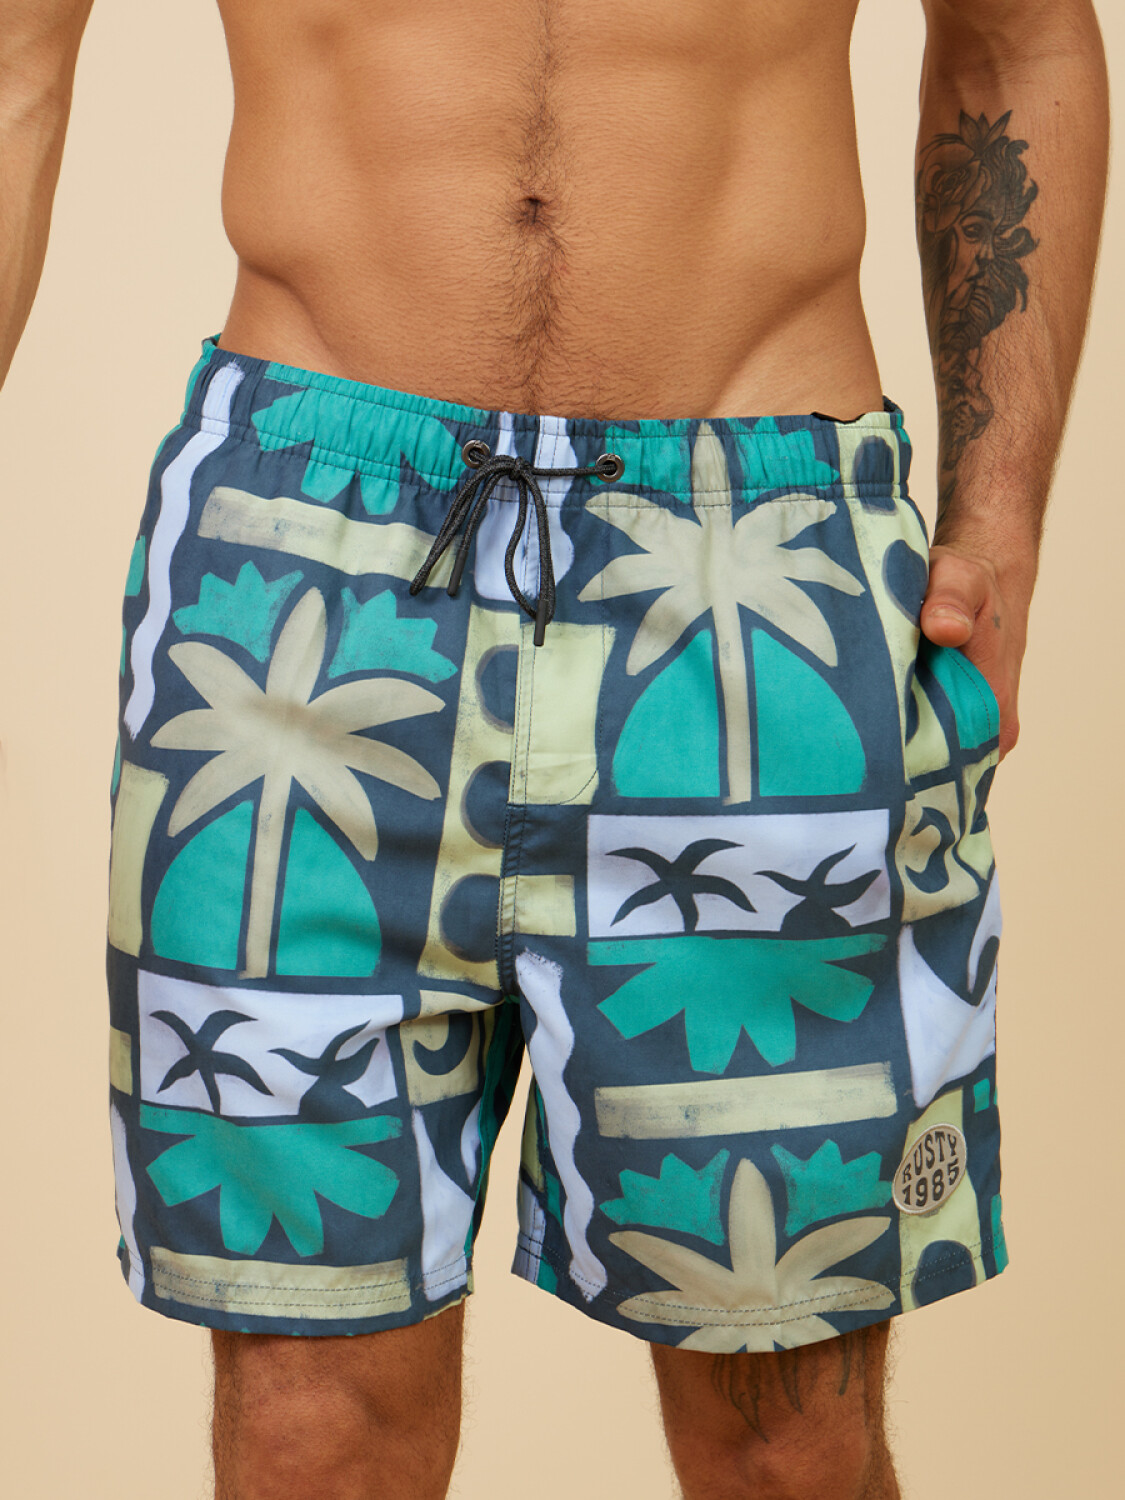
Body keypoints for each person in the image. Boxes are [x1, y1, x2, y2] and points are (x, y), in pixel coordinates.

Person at [1, 1, 1109, 1496]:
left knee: (784, 1440)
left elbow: (1013, 38)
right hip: (305, 574)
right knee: (307, 1437)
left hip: (757, 569)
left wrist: (1002, 522)